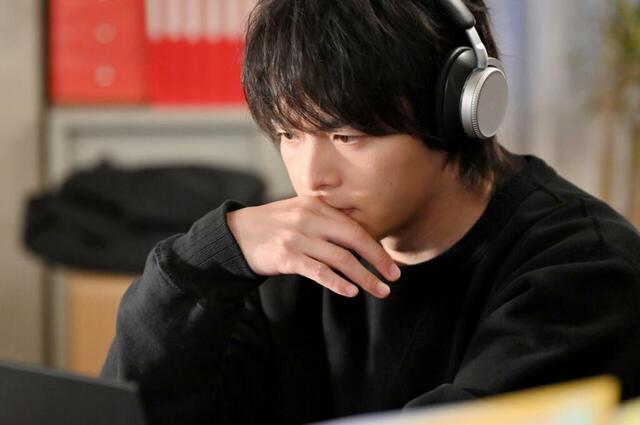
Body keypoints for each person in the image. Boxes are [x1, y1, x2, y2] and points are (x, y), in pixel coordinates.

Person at [101, 0, 640, 424]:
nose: (313, 177)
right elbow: (135, 410)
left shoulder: (584, 272)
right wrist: (211, 257)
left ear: (459, 112)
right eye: (289, 134)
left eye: (346, 136)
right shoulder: (292, 261)